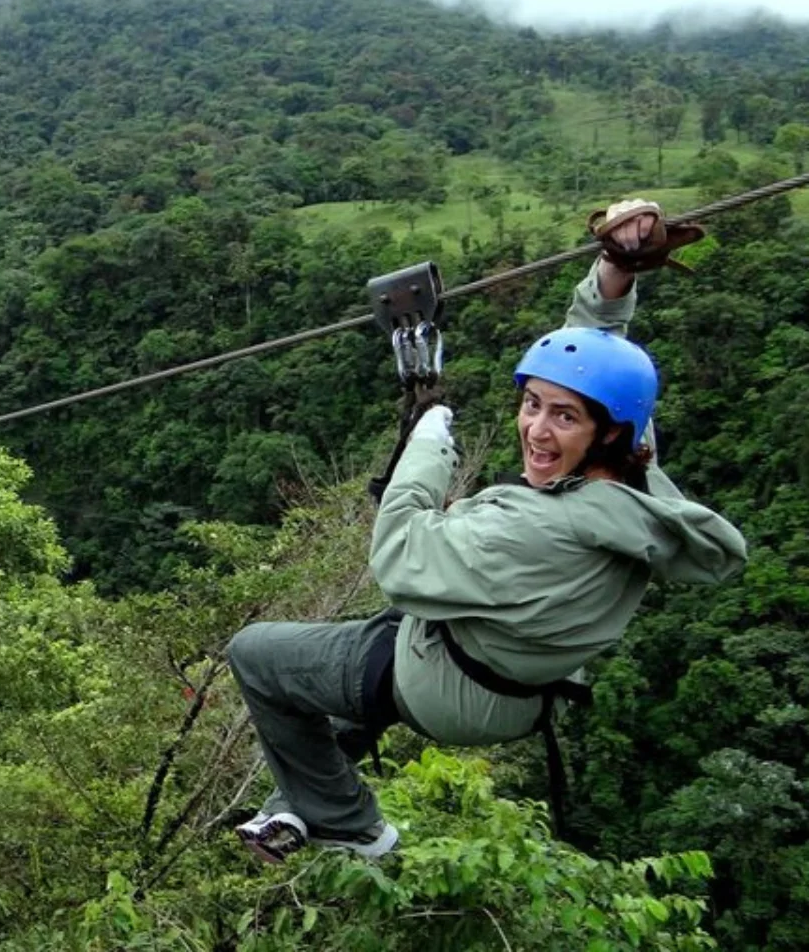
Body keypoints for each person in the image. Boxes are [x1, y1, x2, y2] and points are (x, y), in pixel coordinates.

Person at [226, 200, 748, 864]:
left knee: (261, 655)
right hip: (516, 682)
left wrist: (427, 447)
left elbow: (398, 555)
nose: (536, 429)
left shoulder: (532, 530)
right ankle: (293, 802)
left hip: (454, 690)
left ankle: (349, 824)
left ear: (606, 431)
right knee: (365, 642)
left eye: (562, 418)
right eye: (532, 404)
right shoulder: (637, 479)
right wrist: (617, 268)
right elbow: (594, 349)